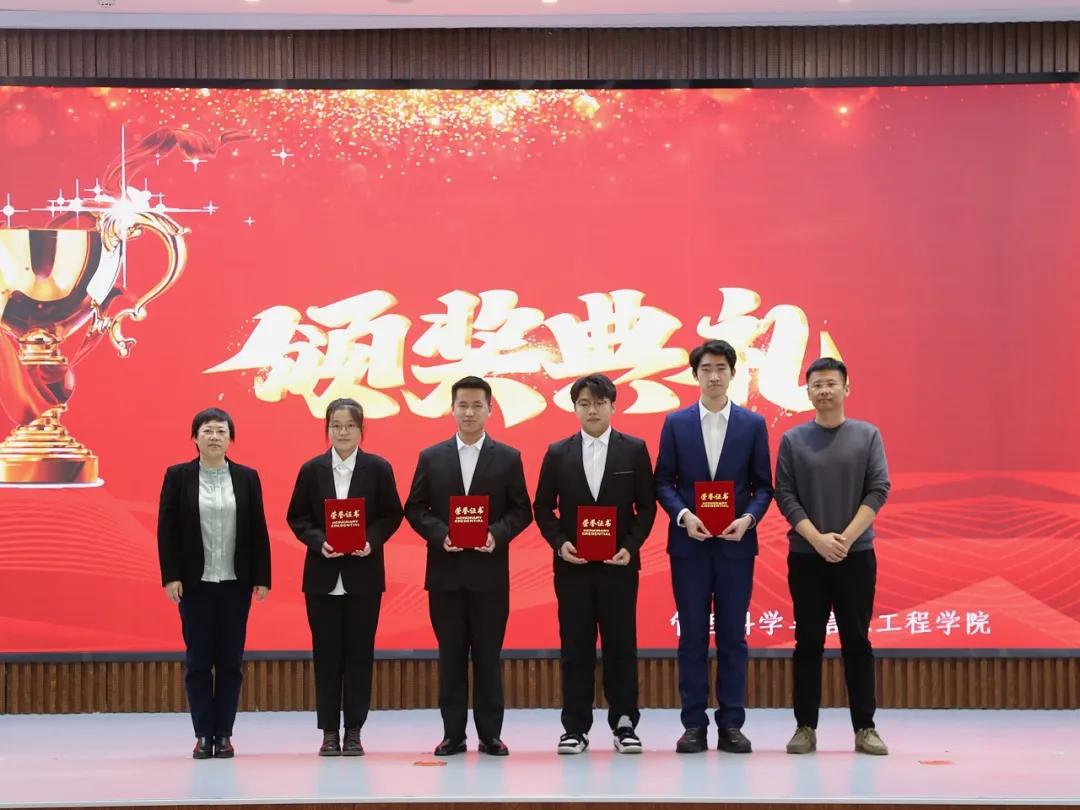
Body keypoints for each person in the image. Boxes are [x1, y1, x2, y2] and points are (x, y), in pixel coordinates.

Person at [654, 339, 772, 754]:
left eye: (721, 368)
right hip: (690, 546)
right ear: (695, 375)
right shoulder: (676, 423)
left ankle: (732, 724)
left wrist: (749, 519)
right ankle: (693, 725)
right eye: (706, 369)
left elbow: (763, 486)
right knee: (691, 637)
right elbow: (662, 481)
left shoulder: (752, 424)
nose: (714, 376)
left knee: (733, 637)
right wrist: (684, 516)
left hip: (736, 546)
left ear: (733, 374)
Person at [404, 375, 532, 757]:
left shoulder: (508, 457)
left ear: (490, 410)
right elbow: (415, 508)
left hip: (490, 576)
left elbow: (521, 510)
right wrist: (439, 533)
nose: (470, 412)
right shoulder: (432, 457)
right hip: (445, 575)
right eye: (463, 405)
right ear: (452, 409)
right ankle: (453, 735)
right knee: (451, 658)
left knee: (489, 658)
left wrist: (496, 533)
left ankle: (490, 735)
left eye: (477, 405)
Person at [533, 374, 656, 755]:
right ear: (574, 408)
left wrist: (631, 547)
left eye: (599, 403)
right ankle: (575, 728)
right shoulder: (558, 452)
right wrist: (560, 544)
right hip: (573, 567)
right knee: (575, 647)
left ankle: (625, 724)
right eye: (584, 403)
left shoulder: (633, 449)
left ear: (613, 406)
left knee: (622, 645)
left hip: (619, 566)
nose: (592, 410)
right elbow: (543, 507)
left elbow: (646, 506)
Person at [774, 357, 891, 756]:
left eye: (831, 383)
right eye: (817, 385)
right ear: (807, 392)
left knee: (857, 640)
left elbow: (878, 489)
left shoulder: (867, 435)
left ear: (846, 388)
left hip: (856, 555)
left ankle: (865, 728)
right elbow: (785, 494)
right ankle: (804, 727)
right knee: (808, 641)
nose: (824, 390)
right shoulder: (793, 440)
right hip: (806, 556)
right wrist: (817, 539)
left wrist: (844, 539)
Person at [286, 397, 404, 756]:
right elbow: (297, 517)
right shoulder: (311, 470)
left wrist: (371, 540)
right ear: (327, 429)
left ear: (361, 429)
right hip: (322, 579)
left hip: (363, 578)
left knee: (359, 656)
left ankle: (354, 731)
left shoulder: (378, 468)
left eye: (350, 425)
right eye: (336, 426)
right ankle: (328, 732)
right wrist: (318, 541)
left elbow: (392, 515)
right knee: (326, 657)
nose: (342, 432)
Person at [157, 407, 271, 760]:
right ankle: (202, 734)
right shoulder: (178, 476)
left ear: (230, 439)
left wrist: (262, 577)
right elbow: (166, 530)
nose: (214, 437)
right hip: (196, 584)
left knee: (230, 662)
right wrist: (171, 576)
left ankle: (224, 734)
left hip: (236, 583)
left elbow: (258, 529)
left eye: (221, 431)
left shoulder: (247, 477)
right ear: (194, 438)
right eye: (207, 430)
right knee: (198, 662)